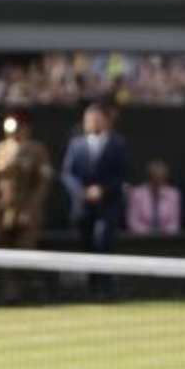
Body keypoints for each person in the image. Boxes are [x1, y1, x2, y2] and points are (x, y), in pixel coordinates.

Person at [0, 111, 52, 302]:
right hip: (4, 211)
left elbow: (43, 183)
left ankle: (37, 291)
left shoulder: (37, 149)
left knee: (26, 250)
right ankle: (10, 293)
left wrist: (31, 209)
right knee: (5, 252)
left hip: (27, 211)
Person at [61, 102, 127, 260]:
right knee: (86, 246)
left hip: (108, 205)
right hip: (83, 207)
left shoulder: (117, 144)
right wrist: (80, 192)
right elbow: (68, 173)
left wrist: (102, 190)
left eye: (96, 119)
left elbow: (122, 175)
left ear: (106, 120)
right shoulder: (76, 144)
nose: (92, 123)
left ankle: (104, 283)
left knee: (103, 242)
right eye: (88, 119)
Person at [126, 159, 181, 236]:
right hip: (141, 239)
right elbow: (133, 222)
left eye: (161, 180)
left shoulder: (173, 194)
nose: (158, 184)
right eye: (155, 180)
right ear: (149, 179)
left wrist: (163, 234)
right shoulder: (137, 194)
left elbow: (174, 223)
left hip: (167, 239)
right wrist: (149, 233)